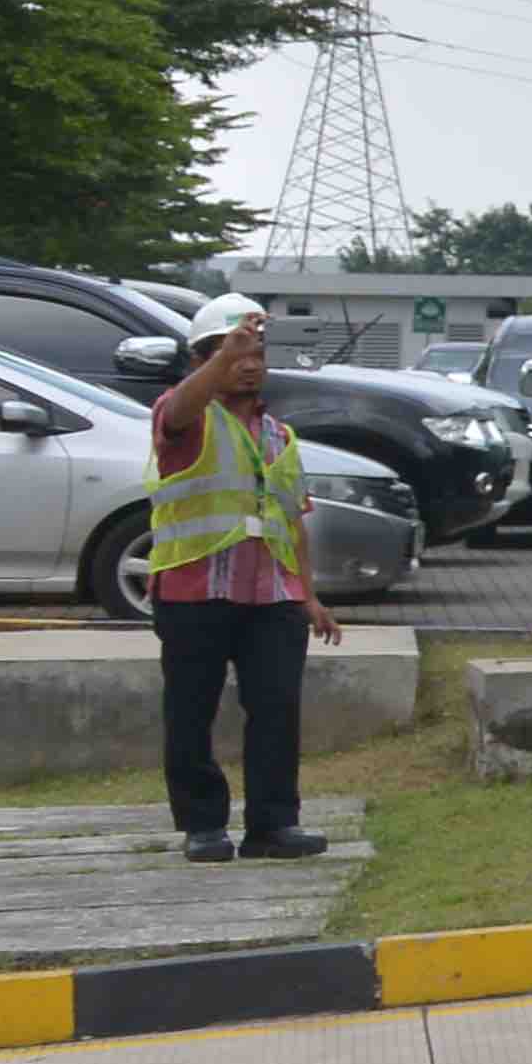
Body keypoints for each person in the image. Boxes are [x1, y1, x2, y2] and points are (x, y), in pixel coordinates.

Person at [144, 293, 344, 862]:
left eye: (256, 350)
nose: (249, 361)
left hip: (273, 597)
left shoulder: (279, 435)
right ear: (203, 360)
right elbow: (178, 407)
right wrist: (219, 358)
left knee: (277, 709)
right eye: (233, 352)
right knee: (190, 712)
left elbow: (290, 520)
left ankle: (273, 825)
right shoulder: (184, 418)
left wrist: (308, 594)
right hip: (193, 592)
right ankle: (203, 826)